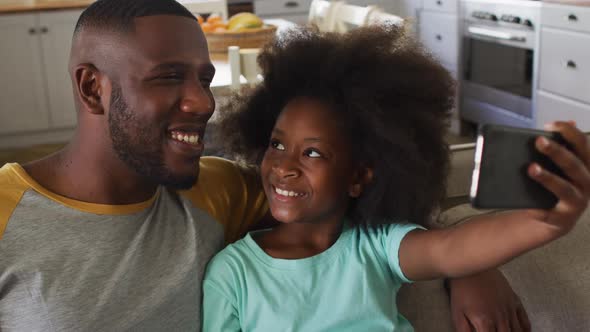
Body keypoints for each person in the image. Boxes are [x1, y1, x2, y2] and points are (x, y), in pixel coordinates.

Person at [0, 0, 532, 330]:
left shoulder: (219, 189)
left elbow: (365, 193)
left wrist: (470, 265)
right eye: (168, 77)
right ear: (93, 87)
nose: (202, 102)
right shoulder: (6, 213)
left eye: (203, 78)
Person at [202, 25, 590, 331]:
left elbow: (452, 248)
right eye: (277, 144)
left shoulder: (375, 247)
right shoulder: (232, 274)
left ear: (358, 177)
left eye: (313, 152)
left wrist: (546, 220)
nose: (284, 166)